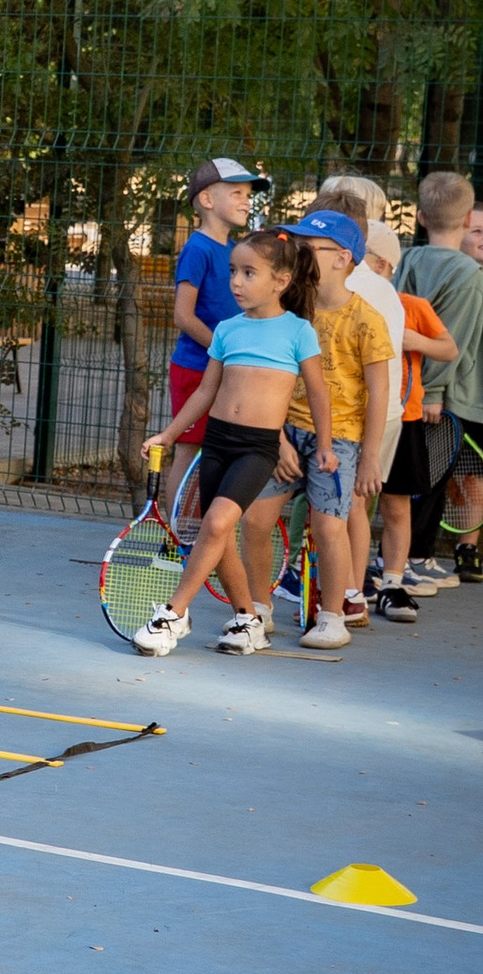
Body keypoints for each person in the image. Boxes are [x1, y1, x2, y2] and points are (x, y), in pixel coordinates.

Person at [135, 230, 332, 656]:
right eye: (233, 272)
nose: (236, 282)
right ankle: (247, 620)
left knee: (218, 523)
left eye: (248, 273)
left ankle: (174, 613)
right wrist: (168, 435)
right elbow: (205, 392)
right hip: (218, 442)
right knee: (218, 535)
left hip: (256, 448)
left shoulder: (298, 331)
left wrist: (325, 445)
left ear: (281, 281)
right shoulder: (227, 329)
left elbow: (318, 393)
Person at [280, 205, 391, 648]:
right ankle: (254, 611)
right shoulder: (290, 310)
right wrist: (277, 436)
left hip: (341, 437)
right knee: (255, 516)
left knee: (331, 526)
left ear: (342, 258)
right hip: (287, 431)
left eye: (307, 248)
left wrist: (370, 456)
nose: (298, 254)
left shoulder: (367, 319)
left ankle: (334, 615)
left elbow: (380, 393)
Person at [165, 158, 261, 532]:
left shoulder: (235, 251)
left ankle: (205, 533)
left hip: (227, 370)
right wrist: (223, 349)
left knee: (219, 452)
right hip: (195, 368)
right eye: (236, 193)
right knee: (188, 450)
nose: (246, 201)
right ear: (207, 199)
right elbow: (183, 316)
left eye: (248, 194)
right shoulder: (198, 249)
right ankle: (177, 539)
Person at [359, 216, 448, 622]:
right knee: (356, 503)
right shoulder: (347, 302)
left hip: (404, 418)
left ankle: (393, 583)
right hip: (359, 420)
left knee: (396, 506)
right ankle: (355, 579)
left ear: (381, 264)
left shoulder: (410, 305)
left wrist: (415, 339)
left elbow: (449, 348)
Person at [402, 171, 483, 587]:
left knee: (419, 479)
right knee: (428, 480)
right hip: (434, 397)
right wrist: (432, 391)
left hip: (408, 386)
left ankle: (410, 558)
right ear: (468, 220)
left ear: (419, 217)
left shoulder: (408, 258)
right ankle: (414, 558)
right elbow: (452, 338)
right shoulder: (469, 274)